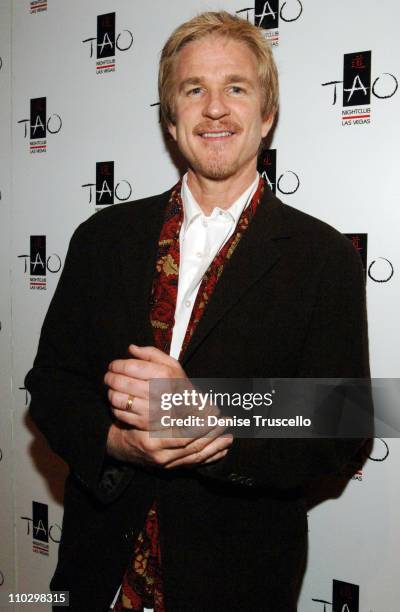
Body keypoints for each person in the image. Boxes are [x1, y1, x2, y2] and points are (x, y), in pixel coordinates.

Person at [25, 11, 370, 612]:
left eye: (236, 88)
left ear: (267, 115)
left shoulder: (323, 256)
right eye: (194, 90)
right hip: (97, 568)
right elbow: (51, 386)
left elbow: (345, 421)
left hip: (237, 580)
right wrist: (119, 441)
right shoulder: (102, 238)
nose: (214, 109)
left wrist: (212, 419)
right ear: (170, 117)